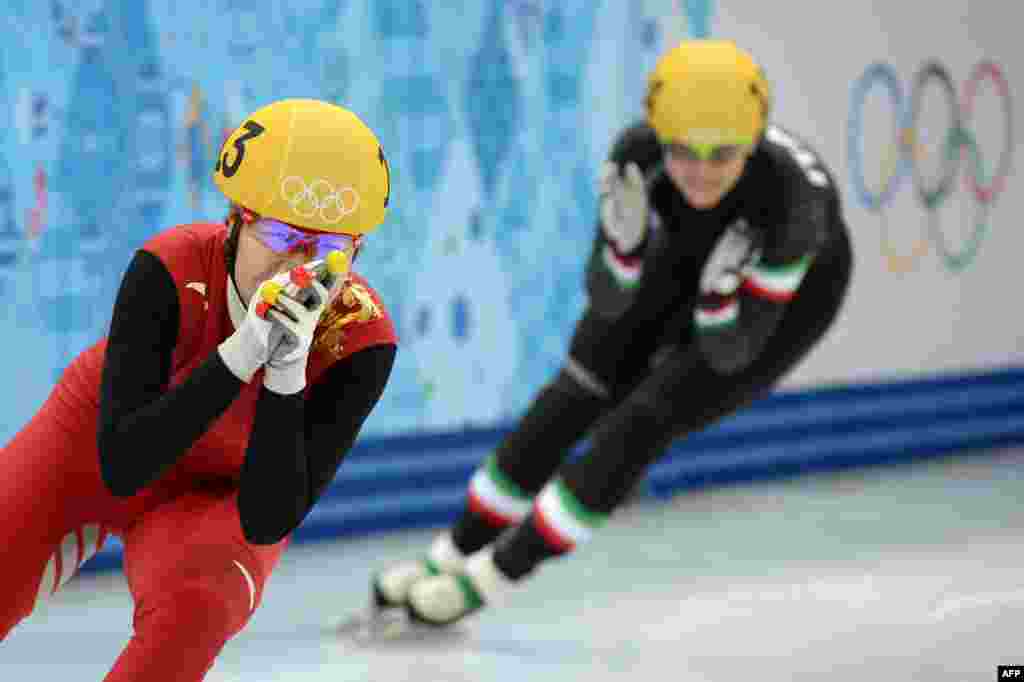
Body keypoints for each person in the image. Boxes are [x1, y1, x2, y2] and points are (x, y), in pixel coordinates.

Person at [369, 39, 854, 626]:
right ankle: (449, 554)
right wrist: (623, 252)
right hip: (688, 255)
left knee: (643, 419)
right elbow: (606, 299)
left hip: (782, 302)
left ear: (751, 144)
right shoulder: (638, 154)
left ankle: (494, 577)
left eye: (721, 154)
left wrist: (721, 296)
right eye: (682, 152)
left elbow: (731, 351)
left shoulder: (797, 205)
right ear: (658, 135)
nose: (700, 171)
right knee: (578, 387)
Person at [0, 98, 397, 680]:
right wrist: (239, 355)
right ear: (235, 220)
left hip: (218, 495)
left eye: (327, 250)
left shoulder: (360, 340)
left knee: (199, 608)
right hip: (102, 442)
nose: (298, 268)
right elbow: (123, 467)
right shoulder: (169, 266)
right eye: (284, 236)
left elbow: (266, 521)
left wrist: (284, 374)